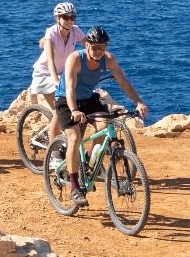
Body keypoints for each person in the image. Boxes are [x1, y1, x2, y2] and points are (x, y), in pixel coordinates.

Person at [58, 26, 149, 204]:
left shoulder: (108, 60)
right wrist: (74, 110)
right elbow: (69, 87)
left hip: (88, 99)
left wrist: (138, 102)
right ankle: (75, 186)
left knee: (104, 126)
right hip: (66, 101)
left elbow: (123, 81)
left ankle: (91, 160)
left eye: (102, 47)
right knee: (75, 138)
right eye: (95, 47)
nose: (99, 51)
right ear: (87, 45)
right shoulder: (76, 59)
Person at [28, 2, 85, 149]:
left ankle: (58, 138)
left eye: (72, 17)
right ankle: (53, 155)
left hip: (61, 73)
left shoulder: (75, 31)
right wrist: (55, 80)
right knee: (60, 112)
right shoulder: (51, 33)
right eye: (65, 17)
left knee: (67, 108)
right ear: (57, 18)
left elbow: (89, 47)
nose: (70, 20)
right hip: (45, 74)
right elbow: (50, 60)